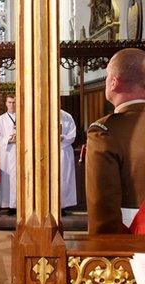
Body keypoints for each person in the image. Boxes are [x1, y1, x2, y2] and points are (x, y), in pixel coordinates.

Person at [86, 48, 145, 234]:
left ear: (114, 82)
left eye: (106, 77)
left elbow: (103, 213)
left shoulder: (105, 132)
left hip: (133, 249)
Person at [0, 95, 17, 213]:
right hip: (7, 153)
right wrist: (8, 139)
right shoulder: (0, 120)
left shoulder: (24, 118)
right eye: (10, 102)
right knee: (7, 179)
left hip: (19, 153)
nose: (12, 105)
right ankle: (7, 204)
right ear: (6, 104)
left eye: (14, 102)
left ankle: (19, 204)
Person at [60, 109, 77, 210]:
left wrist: (63, 138)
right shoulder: (45, 113)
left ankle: (63, 206)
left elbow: (72, 135)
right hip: (49, 150)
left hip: (64, 150)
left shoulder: (67, 116)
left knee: (64, 178)